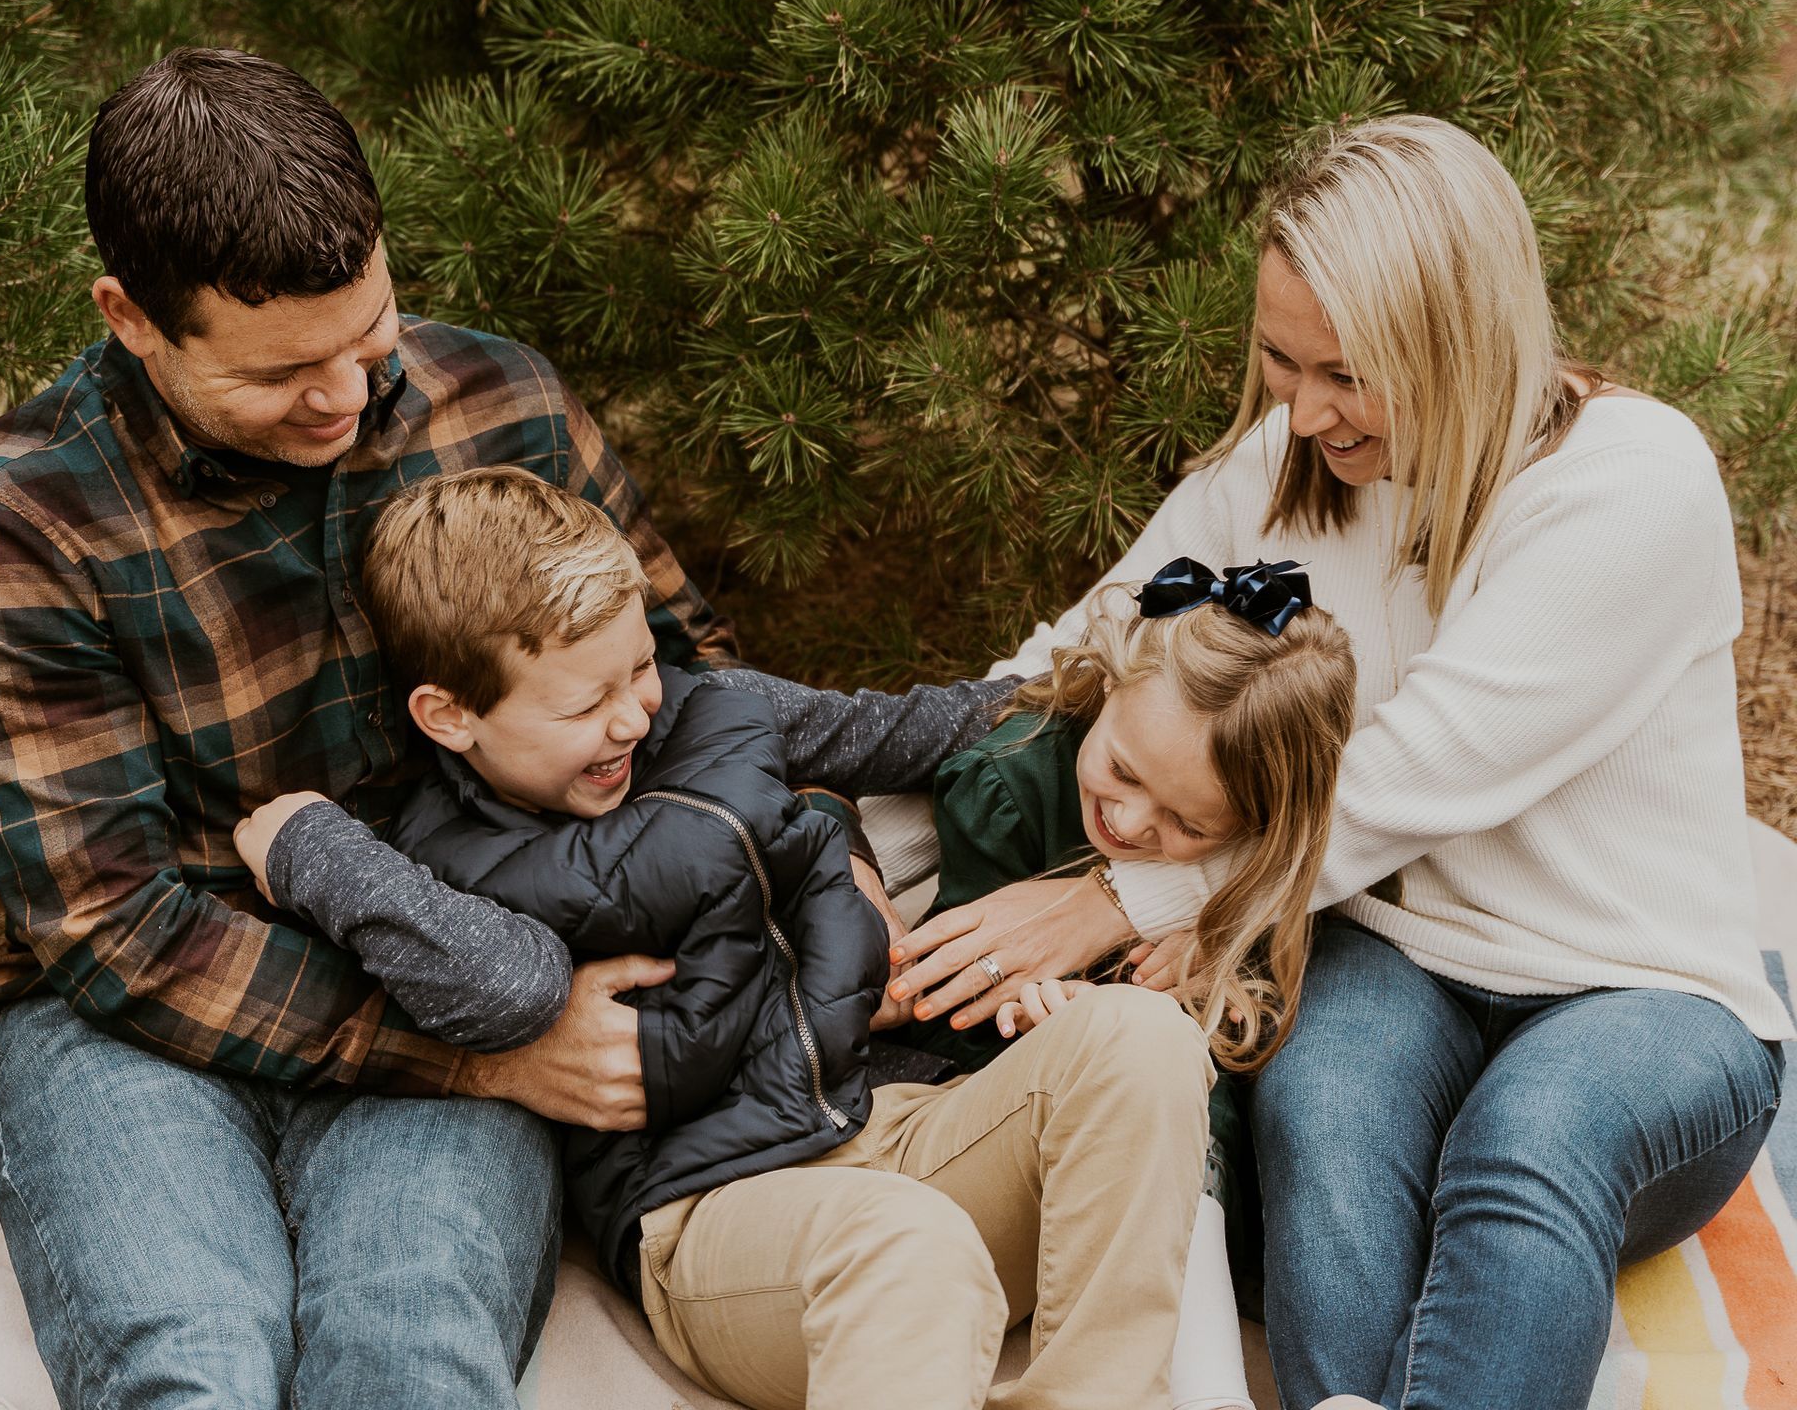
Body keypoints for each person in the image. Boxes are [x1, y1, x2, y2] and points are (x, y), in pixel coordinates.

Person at [0, 46, 901, 1407]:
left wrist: (819, 849)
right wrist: (477, 1048)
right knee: (189, 1369)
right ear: (132, 319)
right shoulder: (17, 523)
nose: (344, 396)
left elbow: (686, 678)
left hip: (477, 942)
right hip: (150, 1018)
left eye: (366, 341)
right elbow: (111, 922)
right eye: (281, 376)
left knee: (410, 1353)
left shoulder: (500, 401)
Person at [888, 115, 1793, 1410]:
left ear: (1460, 341)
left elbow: (1411, 773)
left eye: (1349, 374)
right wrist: (835, 821)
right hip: (1393, 953)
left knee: (1530, 1141)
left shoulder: (1630, 490)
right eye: (1277, 358)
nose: (1304, 410)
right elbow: (1081, 644)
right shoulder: (1296, 468)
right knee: (1319, 1117)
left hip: (1642, 996)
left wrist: (1105, 903)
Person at [236, 465, 1217, 1410]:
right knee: (910, 1244)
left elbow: (916, 728)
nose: (632, 715)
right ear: (450, 716)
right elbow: (511, 988)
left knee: (1142, 1037)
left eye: (638, 670)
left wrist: (1124, 686)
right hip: (712, 1212)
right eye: (587, 703)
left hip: (895, 1119)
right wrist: (309, 846)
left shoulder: (716, 715)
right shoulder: (445, 856)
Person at [907, 561, 1356, 1410]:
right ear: (1109, 684)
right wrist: (1033, 1017)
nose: (1131, 822)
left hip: (1210, 1161)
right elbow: (935, 1018)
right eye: (1123, 769)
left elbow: (1261, 1024)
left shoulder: (1251, 873)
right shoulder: (1014, 784)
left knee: (1199, 1086)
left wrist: (1215, 969)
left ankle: (1215, 1388)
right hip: (1021, 1124)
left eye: (1191, 826)